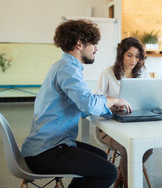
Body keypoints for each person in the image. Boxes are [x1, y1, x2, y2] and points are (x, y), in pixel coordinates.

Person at [21, 19, 130, 188]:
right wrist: (113, 100)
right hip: (46, 152)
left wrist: (107, 106)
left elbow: (80, 105)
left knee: (101, 156)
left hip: (48, 145)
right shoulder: (68, 69)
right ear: (79, 43)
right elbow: (87, 104)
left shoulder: (64, 66)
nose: (96, 48)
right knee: (108, 172)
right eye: (93, 43)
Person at [94, 37, 153, 188]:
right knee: (129, 149)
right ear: (121, 55)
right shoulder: (107, 73)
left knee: (148, 149)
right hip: (109, 126)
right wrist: (113, 106)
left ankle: (121, 174)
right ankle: (128, 183)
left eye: (137, 56)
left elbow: (148, 98)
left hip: (136, 124)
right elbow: (95, 103)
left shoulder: (143, 73)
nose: (133, 60)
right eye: (129, 55)